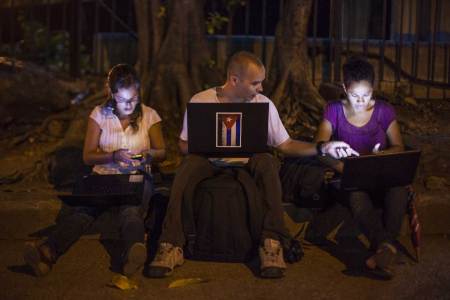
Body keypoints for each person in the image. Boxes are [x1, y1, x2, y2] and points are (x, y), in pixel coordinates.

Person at [146, 51, 357, 279]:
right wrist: (209, 142)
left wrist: (322, 148)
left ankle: (271, 244)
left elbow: (285, 145)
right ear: (235, 80)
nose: (261, 88)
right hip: (208, 159)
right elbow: (183, 146)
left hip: (249, 161)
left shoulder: (263, 104)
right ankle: (170, 245)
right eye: (256, 83)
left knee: (267, 161)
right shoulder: (201, 101)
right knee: (187, 166)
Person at [23, 64, 166, 277]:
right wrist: (113, 156)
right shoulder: (99, 114)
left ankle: (133, 253)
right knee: (83, 212)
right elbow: (88, 156)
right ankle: (46, 252)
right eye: (123, 99)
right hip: (103, 177)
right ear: (111, 94)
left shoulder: (149, 115)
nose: (129, 105)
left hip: (137, 176)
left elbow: (162, 151)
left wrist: (148, 155)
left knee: (130, 210)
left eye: (134, 99)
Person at [314, 56, 409, 279]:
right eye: (355, 95)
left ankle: (383, 250)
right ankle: (385, 249)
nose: (360, 101)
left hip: (381, 174)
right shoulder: (334, 110)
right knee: (357, 195)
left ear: (373, 89)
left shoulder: (384, 111)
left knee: (398, 190)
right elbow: (319, 147)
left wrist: (381, 155)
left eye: (366, 95)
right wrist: (339, 162)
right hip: (348, 174)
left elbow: (399, 147)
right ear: (345, 88)